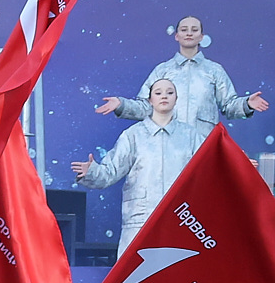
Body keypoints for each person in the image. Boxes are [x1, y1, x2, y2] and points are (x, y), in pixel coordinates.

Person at [73, 78, 208, 253]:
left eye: (170, 92)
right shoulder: (133, 136)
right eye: (158, 93)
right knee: (137, 268)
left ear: (176, 99)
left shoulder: (192, 136)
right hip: (140, 220)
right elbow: (110, 172)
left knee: (180, 267)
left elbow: (213, 168)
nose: (164, 96)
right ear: (150, 100)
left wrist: (238, 161)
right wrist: (91, 171)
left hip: (181, 219)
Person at [94, 15, 269, 127]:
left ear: (201, 37)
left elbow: (229, 106)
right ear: (177, 36)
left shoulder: (214, 70)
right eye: (184, 30)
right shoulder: (162, 70)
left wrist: (246, 104)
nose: (189, 33)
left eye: (194, 30)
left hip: (204, 144)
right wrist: (121, 104)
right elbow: (145, 107)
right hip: (168, 144)